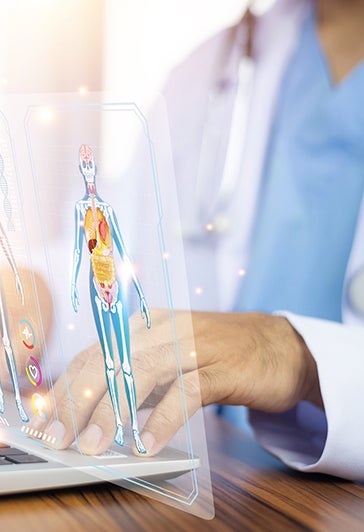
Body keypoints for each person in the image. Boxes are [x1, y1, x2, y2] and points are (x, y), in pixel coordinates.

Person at [47, 0, 364, 481]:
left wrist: (298, 356)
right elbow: (127, 269)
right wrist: (38, 299)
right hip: (225, 481)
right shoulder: (213, 68)